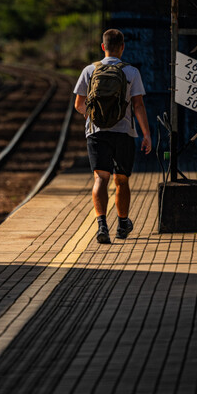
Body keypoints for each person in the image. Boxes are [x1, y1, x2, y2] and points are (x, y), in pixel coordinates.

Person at [73, 29, 152, 244]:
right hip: (124, 133)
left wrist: (96, 117)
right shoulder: (132, 72)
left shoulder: (89, 70)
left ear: (103, 47)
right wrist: (146, 135)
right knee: (122, 179)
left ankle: (101, 225)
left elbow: (78, 104)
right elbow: (138, 106)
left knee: (101, 178)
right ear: (123, 47)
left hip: (96, 132)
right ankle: (122, 224)